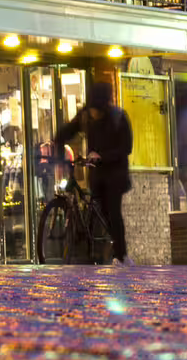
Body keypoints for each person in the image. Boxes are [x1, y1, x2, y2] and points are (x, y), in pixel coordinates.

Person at [52, 79, 134, 265]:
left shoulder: (118, 117)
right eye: (91, 111)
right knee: (101, 210)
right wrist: (56, 144)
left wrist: (102, 156)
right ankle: (95, 250)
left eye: (96, 112)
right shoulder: (86, 115)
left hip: (116, 174)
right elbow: (68, 131)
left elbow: (126, 147)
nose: (93, 115)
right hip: (97, 174)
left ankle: (121, 255)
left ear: (104, 107)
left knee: (113, 211)